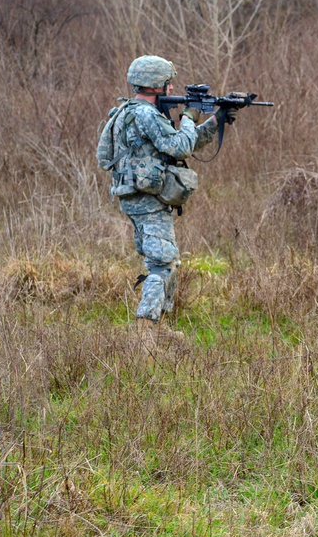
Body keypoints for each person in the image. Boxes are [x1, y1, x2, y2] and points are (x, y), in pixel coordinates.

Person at [96, 55, 236, 349]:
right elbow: (179, 144)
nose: (172, 86)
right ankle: (145, 336)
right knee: (162, 265)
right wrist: (189, 115)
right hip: (146, 199)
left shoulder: (130, 111)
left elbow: (184, 142)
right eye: (168, 82)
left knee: (167, 260)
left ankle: (159, 329)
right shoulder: (145, 114)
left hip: (140, 197)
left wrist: (215, 120)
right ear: (157, 85)